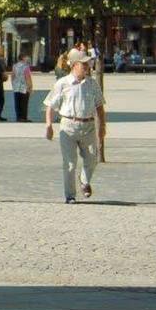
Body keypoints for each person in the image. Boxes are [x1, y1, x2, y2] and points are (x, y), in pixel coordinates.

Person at [44, 50, 107, 203]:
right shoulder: (62, 83)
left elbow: (99, 106)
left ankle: (84, 181)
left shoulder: (92, 84)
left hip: (88, 125)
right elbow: (50, 106)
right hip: (68, 126)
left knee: (92, 158)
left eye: (88, 63)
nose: (87, 66)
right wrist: (49, 125)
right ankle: (70, 195)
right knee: (70, 163)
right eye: (83, 64)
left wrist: (102, 126)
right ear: (74, 65)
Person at [11, 53, 34, 124]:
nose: (28, 59)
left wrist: (13, 84)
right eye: (27, 57)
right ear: (23, 58)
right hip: (24, 88)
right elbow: (27, 77)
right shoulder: (26, 67)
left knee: (17, 103)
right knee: (24, 103)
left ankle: (18, 117)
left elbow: (13, 76)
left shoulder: (15, 66)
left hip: (16, 87)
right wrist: (30, 87)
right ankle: (24, 117)